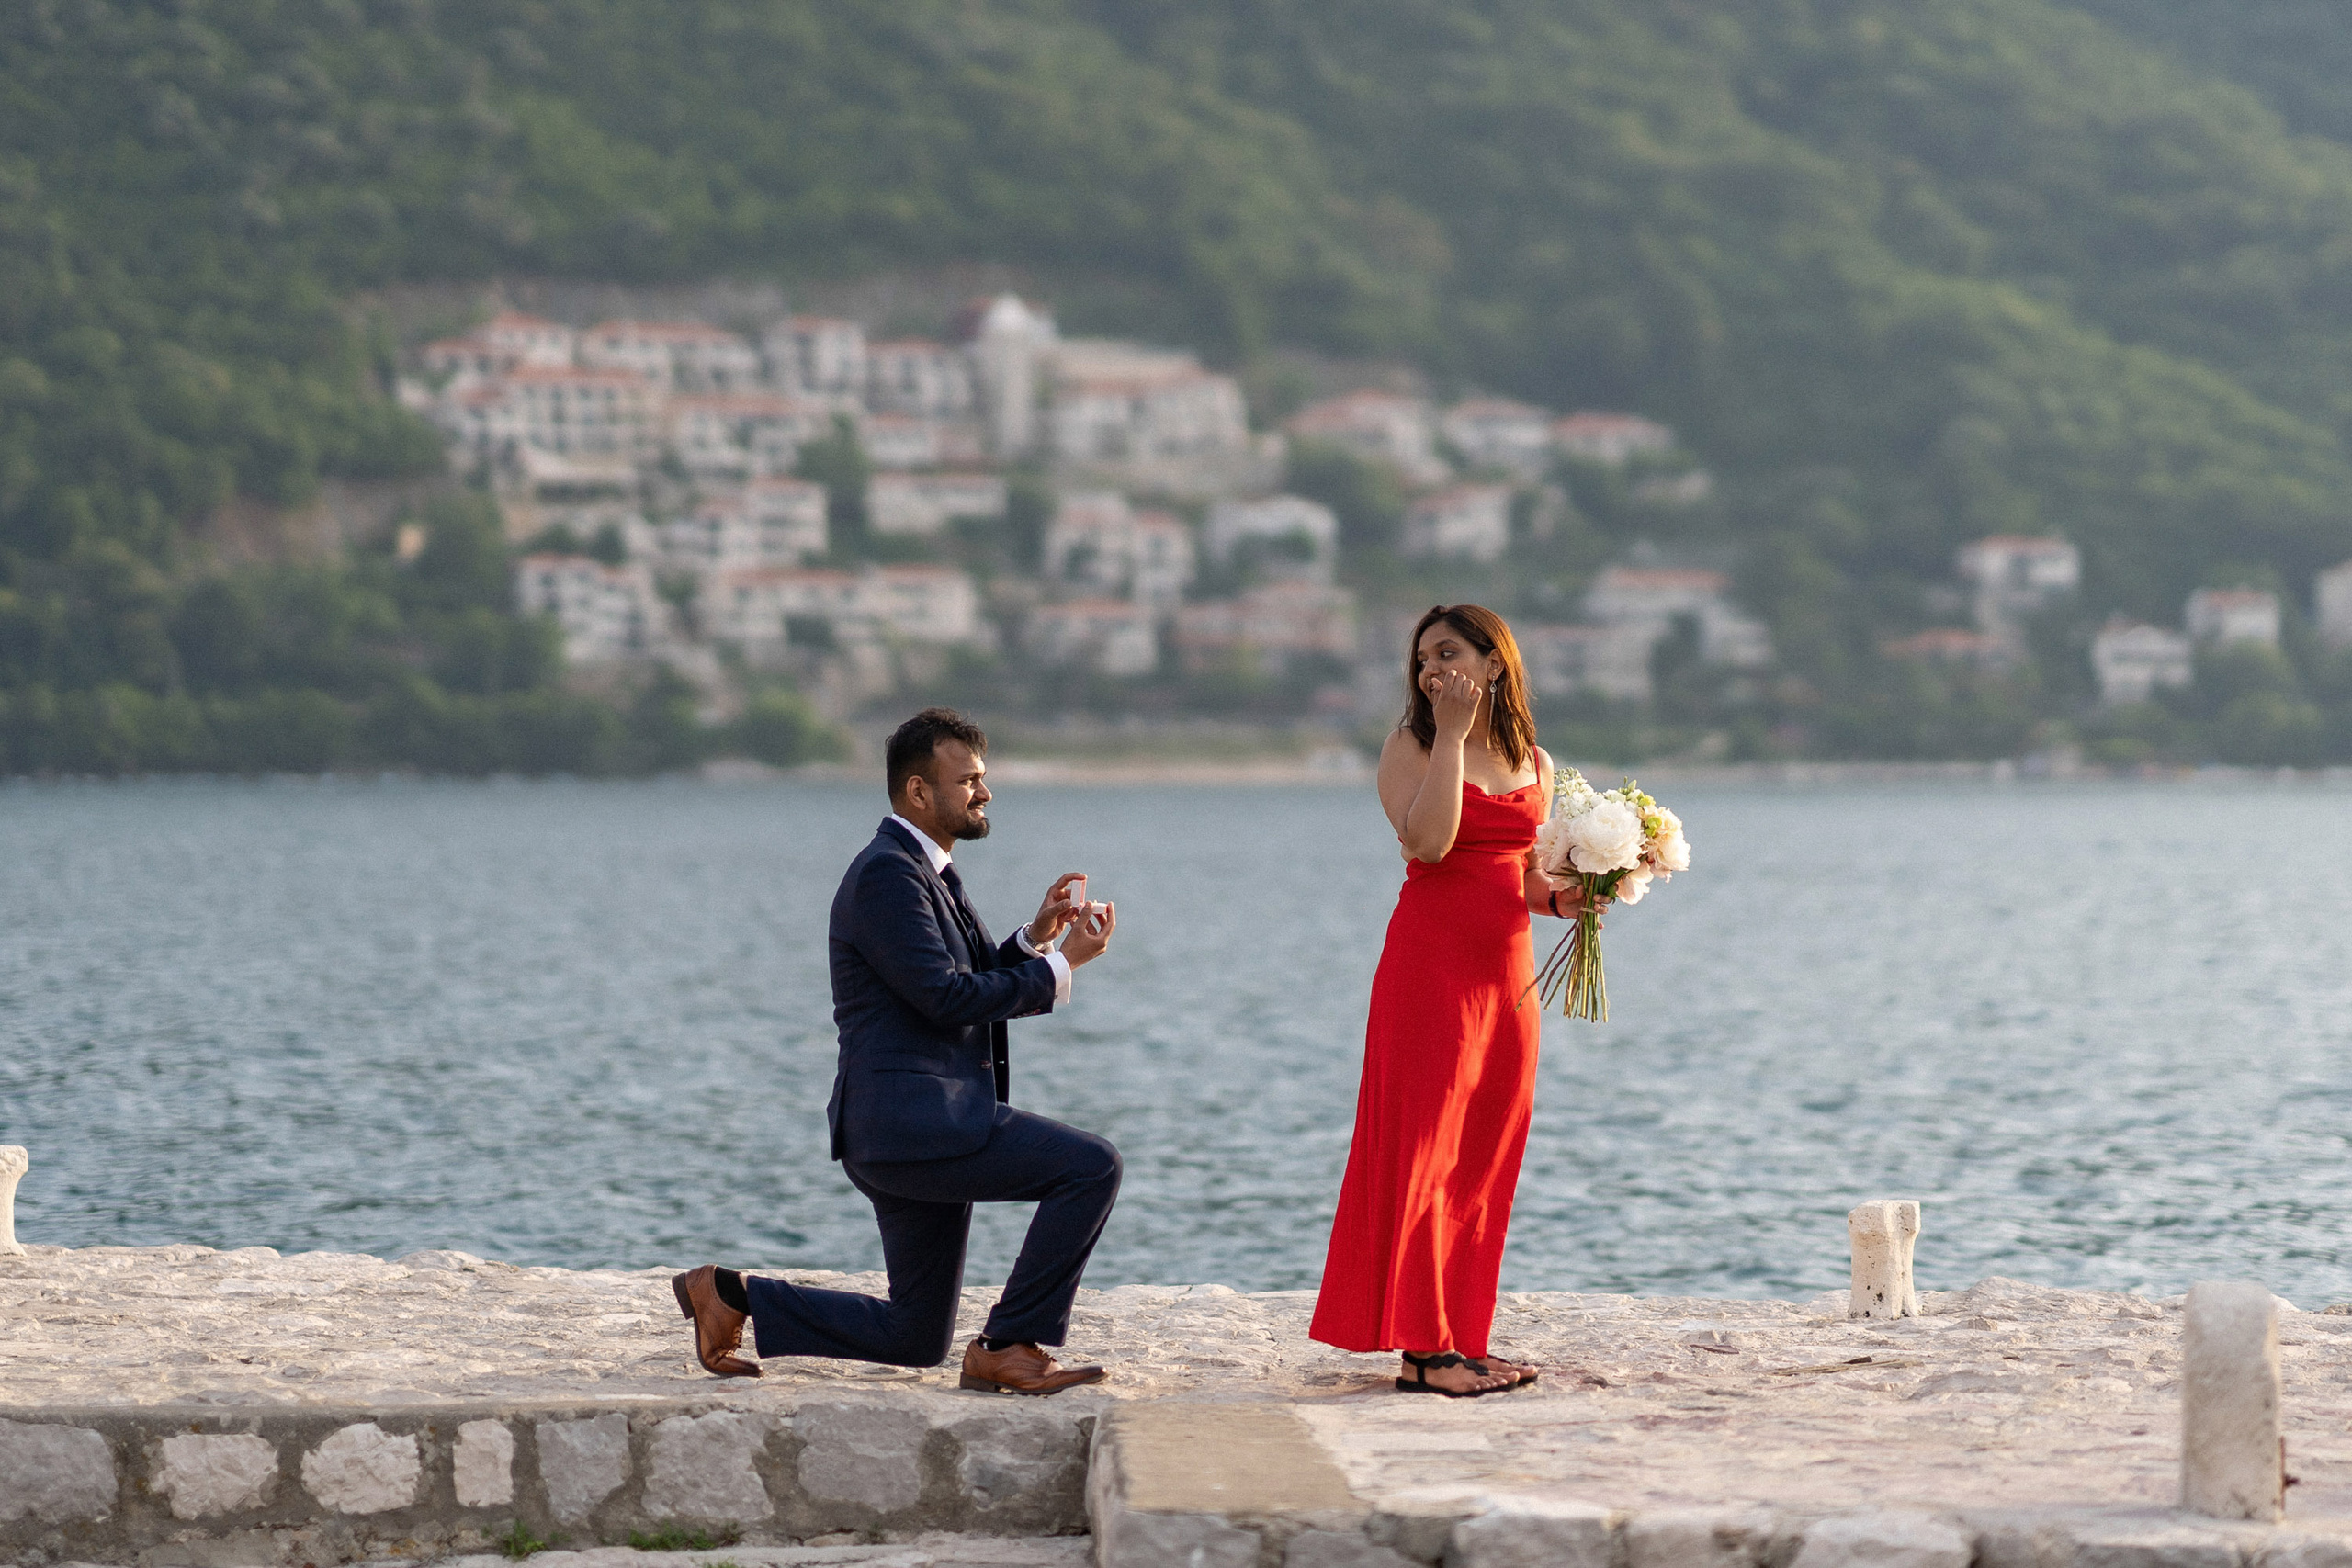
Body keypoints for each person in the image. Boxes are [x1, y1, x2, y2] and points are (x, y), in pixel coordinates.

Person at [673, 707, 1122, 1395]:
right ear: (919, 792)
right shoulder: (888, 874)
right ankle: (1007, 1344)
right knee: (1090, 1167)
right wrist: (1065, 968)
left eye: (983, 777)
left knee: (914, 1335)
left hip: (909, 1126)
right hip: (915, 1127)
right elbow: (944, 998)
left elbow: (950, 980)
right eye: (968, 779)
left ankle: (730, 1293)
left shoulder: (923, 869)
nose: (985, 792)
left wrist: (1034, 940)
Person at [1309, 605, 1603, 1397]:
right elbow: (1431, 844)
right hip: (1429, 971)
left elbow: (1524, 877)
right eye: (1421, 658)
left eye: (1448, 652)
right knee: (1423, 1153)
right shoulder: (1410, 746)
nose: (1430, 668)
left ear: (1494, 662)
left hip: (1508, 980)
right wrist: (1449, 733)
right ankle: (1423, 1350)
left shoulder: (1535, 761)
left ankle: (1459, 1338)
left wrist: (1574, 900)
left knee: (1482, 1158)